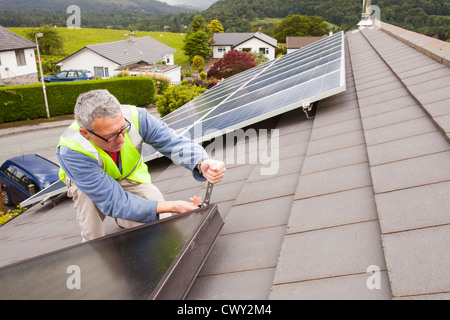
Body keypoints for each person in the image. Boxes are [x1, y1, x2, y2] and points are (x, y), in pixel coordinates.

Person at [56, 89, 225, 242]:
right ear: (85, 133)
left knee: (161, 218)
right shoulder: (72, 151)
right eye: (110, 136)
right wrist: (174, 205)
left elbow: (172, 142)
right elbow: (114, 202)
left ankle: (124, 219)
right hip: (89, 186)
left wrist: (202, 163)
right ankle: (94, 247)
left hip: (128, 175)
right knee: (93, 232)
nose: (121, 139)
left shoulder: (136, 117)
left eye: (123, 129)